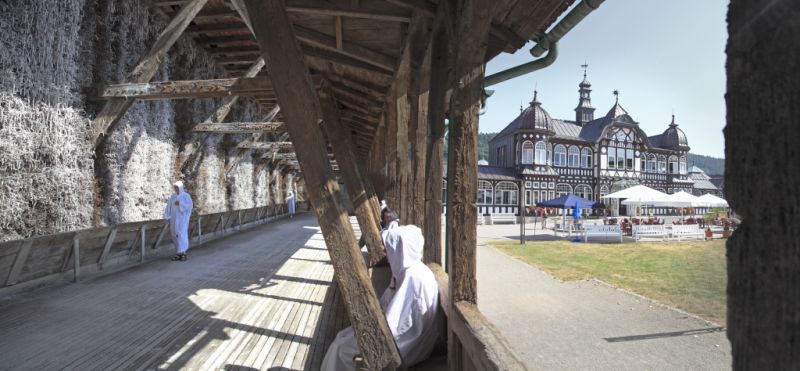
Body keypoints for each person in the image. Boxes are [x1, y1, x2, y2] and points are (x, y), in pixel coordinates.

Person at [321, 225, 439, 370]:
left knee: (341, 348)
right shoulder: (407, 272)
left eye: (389, 249)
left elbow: (401, 326)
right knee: (343, 337)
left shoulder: (413, 278)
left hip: (407, 344)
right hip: (402, 336)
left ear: (401, 250)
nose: (387, 255)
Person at [163, 180, 193, 261]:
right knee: (174, 235)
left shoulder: (186, 196)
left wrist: (180, 204)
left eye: (177, 187)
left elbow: (189, 206)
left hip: (182, 219)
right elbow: (168, 206)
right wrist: (166, 216)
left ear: (180, 187)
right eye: (175, 187)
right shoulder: (173, 196)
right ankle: (178, 253)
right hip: (174, 219)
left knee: (181, 235)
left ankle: (183, 253)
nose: (176, 189)